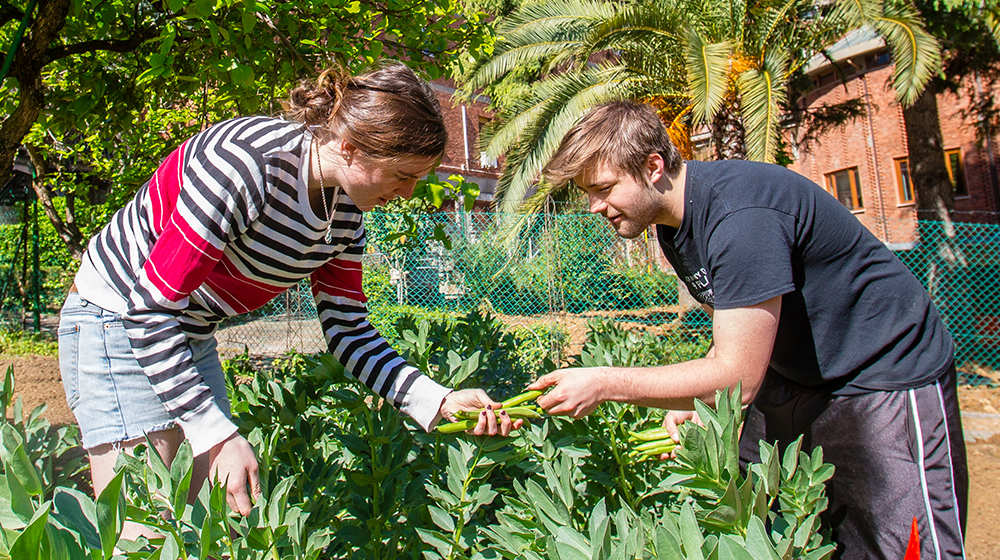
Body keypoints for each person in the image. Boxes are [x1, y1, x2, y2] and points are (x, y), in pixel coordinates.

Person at [58, 62, 518, 537]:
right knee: (146, 527)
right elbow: (149, 307)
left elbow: (350, 332)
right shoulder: (245, 164)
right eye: (402, 174)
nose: (407, 192)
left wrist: (437, 400)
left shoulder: (345, 215)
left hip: (186, 331)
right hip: (118, 321)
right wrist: (216, 433)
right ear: (349, 145)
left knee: (208, 523)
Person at [529, 101, 967, 559]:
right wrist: (702, 399)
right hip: (797, 373)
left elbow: (737, 378)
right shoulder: (674, 222)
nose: (595, 206)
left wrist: (603, 383)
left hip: (884, 374)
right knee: (773, 531)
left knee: (901, 545)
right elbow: (737, 322)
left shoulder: (740, 216)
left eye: (602, 188)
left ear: (653, 166)